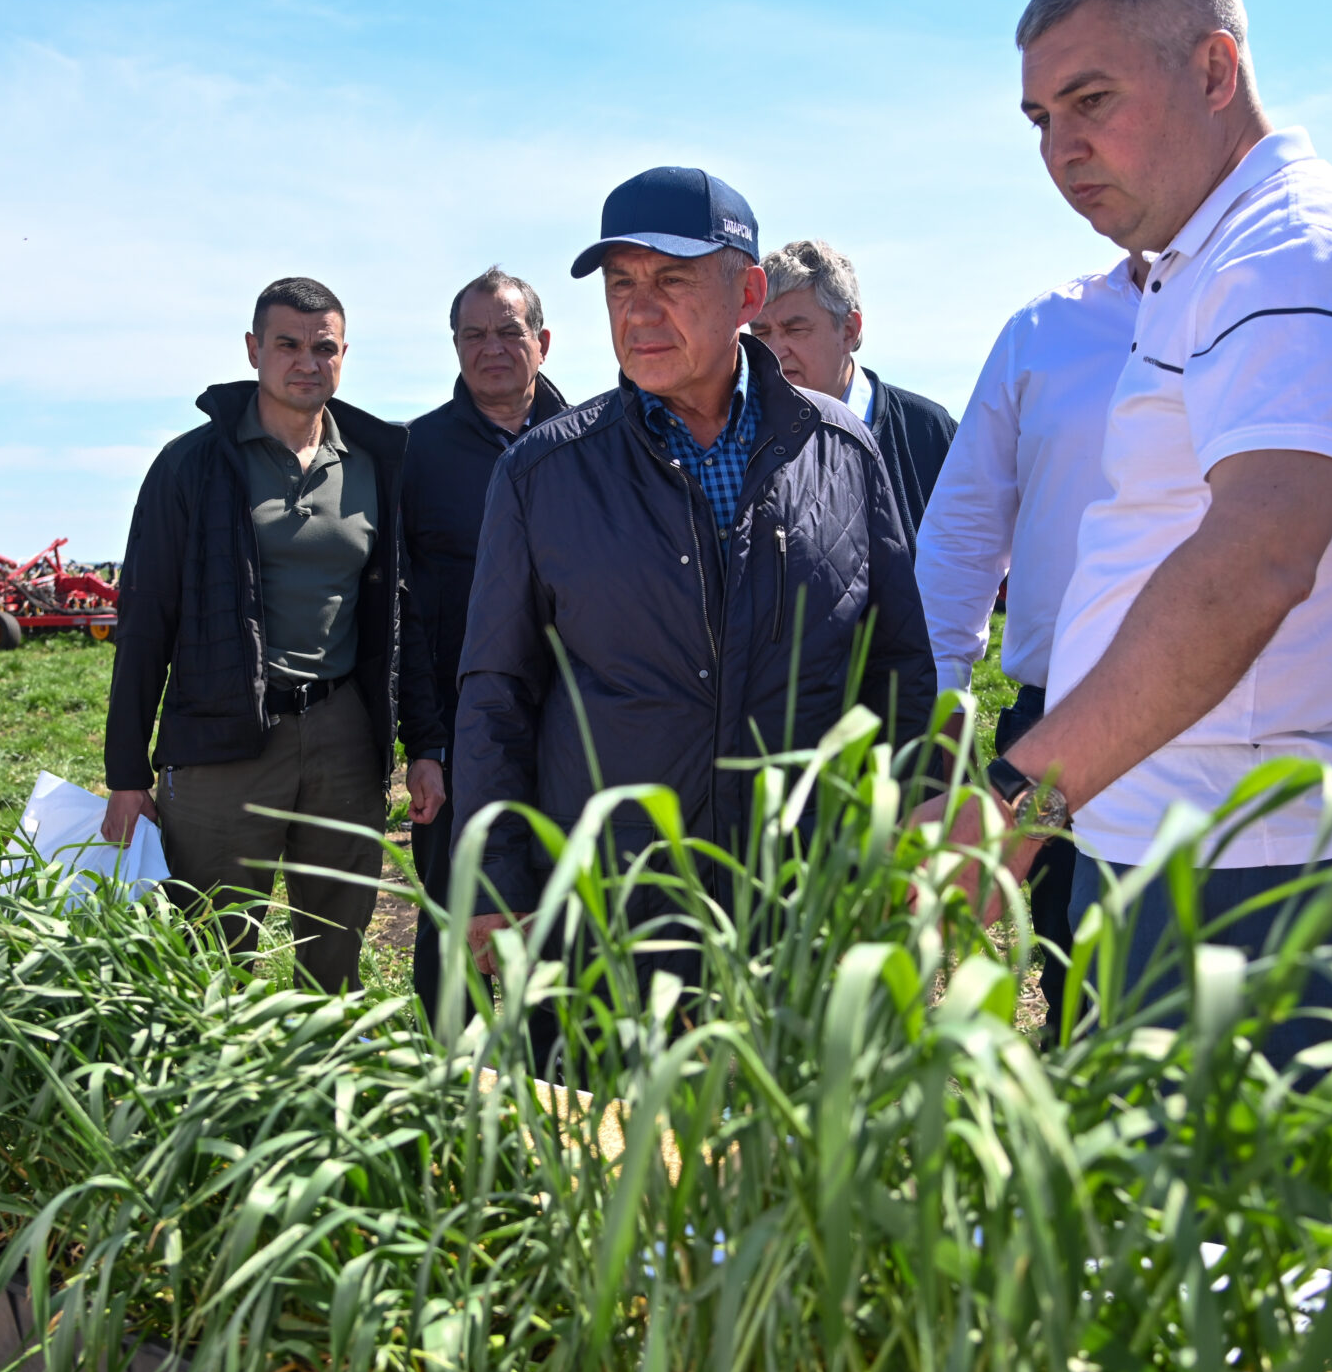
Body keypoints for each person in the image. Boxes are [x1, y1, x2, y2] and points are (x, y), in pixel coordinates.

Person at [927, 0, 1332, 1072]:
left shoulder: (1302, 250)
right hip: (1174, 834)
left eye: (1091, 101)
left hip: (1237, 868)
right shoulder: (1216, 256)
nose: (1061, 150)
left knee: (1205, 1189)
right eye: (1039, 120)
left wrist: (1012, 800)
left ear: (1215, 69)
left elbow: (1251, 563)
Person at [454, 167, 935, 996]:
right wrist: (497, 874)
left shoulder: (840, 451)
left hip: (801, 903)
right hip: (608, 913)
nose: (639, 311)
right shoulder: (543, 473)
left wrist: (911, 836)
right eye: (621, 284)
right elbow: (497, 690)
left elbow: (898, 669)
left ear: (747, 293)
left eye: (672, 281)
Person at [101, 277, 408, 992]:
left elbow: (401, 614)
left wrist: (418, 742)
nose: (307, 361)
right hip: (221, 737)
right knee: (210, 956)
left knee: (334, 955)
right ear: (253, 350)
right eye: (287, 344)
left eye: (324, 347)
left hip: (342, 734)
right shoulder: (192, 464)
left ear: (344, 354)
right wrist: (126, 774)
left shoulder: (376, 464)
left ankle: (322, 1062)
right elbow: (144, 623)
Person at [915, 255, 1137, 1026]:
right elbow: (962, 535)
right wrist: (943, 712)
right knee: (1074, 969)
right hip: (1054, 719)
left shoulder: (1288, 306)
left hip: (1248, 729)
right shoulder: (1044, 333)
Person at [397, 268, 569, 1013]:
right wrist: (425, 743)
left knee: (561, 926)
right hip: (460, 737)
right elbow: (402, 612)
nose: (490, 347)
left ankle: (553, 1075)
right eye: (473, 334)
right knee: (453, 931)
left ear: (543, 341)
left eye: (508, 330)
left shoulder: (593, 442)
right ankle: (454, 1075)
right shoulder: (416, 454)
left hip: (570, 735)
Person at [746, 240, 958, 532]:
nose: (774, 350)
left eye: (795, 330)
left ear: (849, 331)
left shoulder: (928, 431)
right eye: (761, 333)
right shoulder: (742, 436)